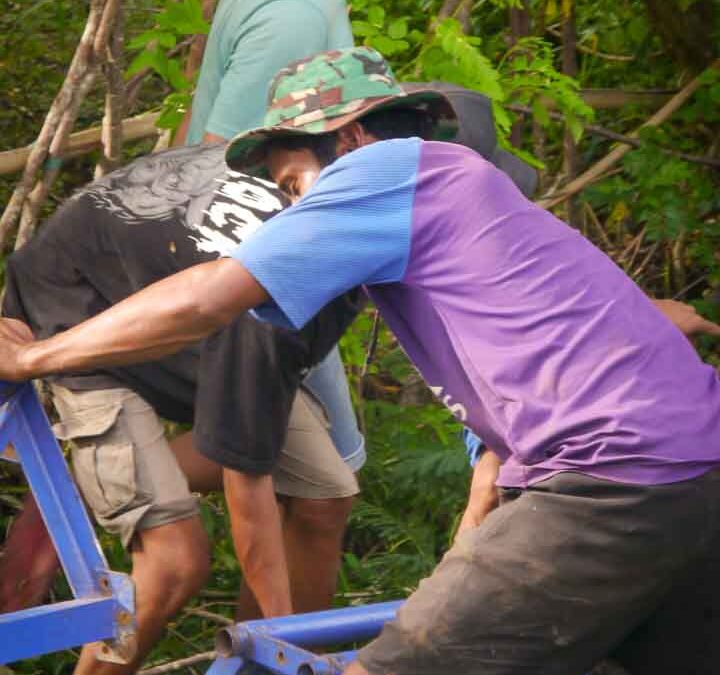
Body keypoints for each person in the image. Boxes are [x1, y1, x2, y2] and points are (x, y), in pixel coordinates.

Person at [2, 47, 720, 675]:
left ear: (346, 136)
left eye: (290, 185)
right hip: (695, 469)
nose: (288, 209)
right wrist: (456, 582)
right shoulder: (479, 245)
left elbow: (205, 299)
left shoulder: (387, 169)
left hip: (608, 477)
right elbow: (494, 473)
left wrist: (36, 358)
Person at [0, 143, 362, 675]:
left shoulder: (341, 187)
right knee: (175, 562)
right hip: (78, 305)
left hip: (180, 299)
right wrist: (282, 639)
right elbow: (246, 474)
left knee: (323, 499)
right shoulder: (283, 284)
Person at [174, 0, 368, 499]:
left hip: (270, 262)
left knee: (318, 486)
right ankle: (93, 487)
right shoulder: (290, 15)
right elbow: (211, 161)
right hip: (263, 268)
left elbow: (192, 137)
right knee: (323, 482)